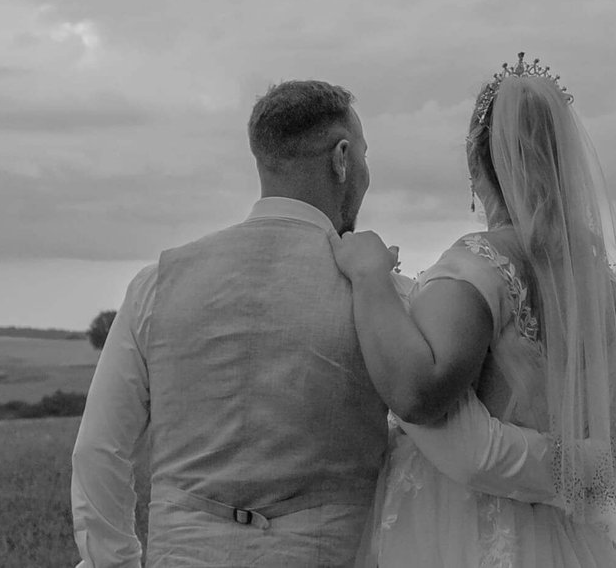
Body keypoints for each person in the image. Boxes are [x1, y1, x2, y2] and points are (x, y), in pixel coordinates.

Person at [69, 79, 562, 568]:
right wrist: (579, 470)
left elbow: (98, 450)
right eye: (364, 154)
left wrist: (116, 563)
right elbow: (463, 447)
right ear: (342, 158)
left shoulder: (157, 283)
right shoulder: (383, 299)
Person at [333, 55, 616, 567]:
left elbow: (417, 396)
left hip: (461, 528)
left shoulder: (477, 266)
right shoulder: (607, 287)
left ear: (476, 164)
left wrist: (371, 279)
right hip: (579, 534)